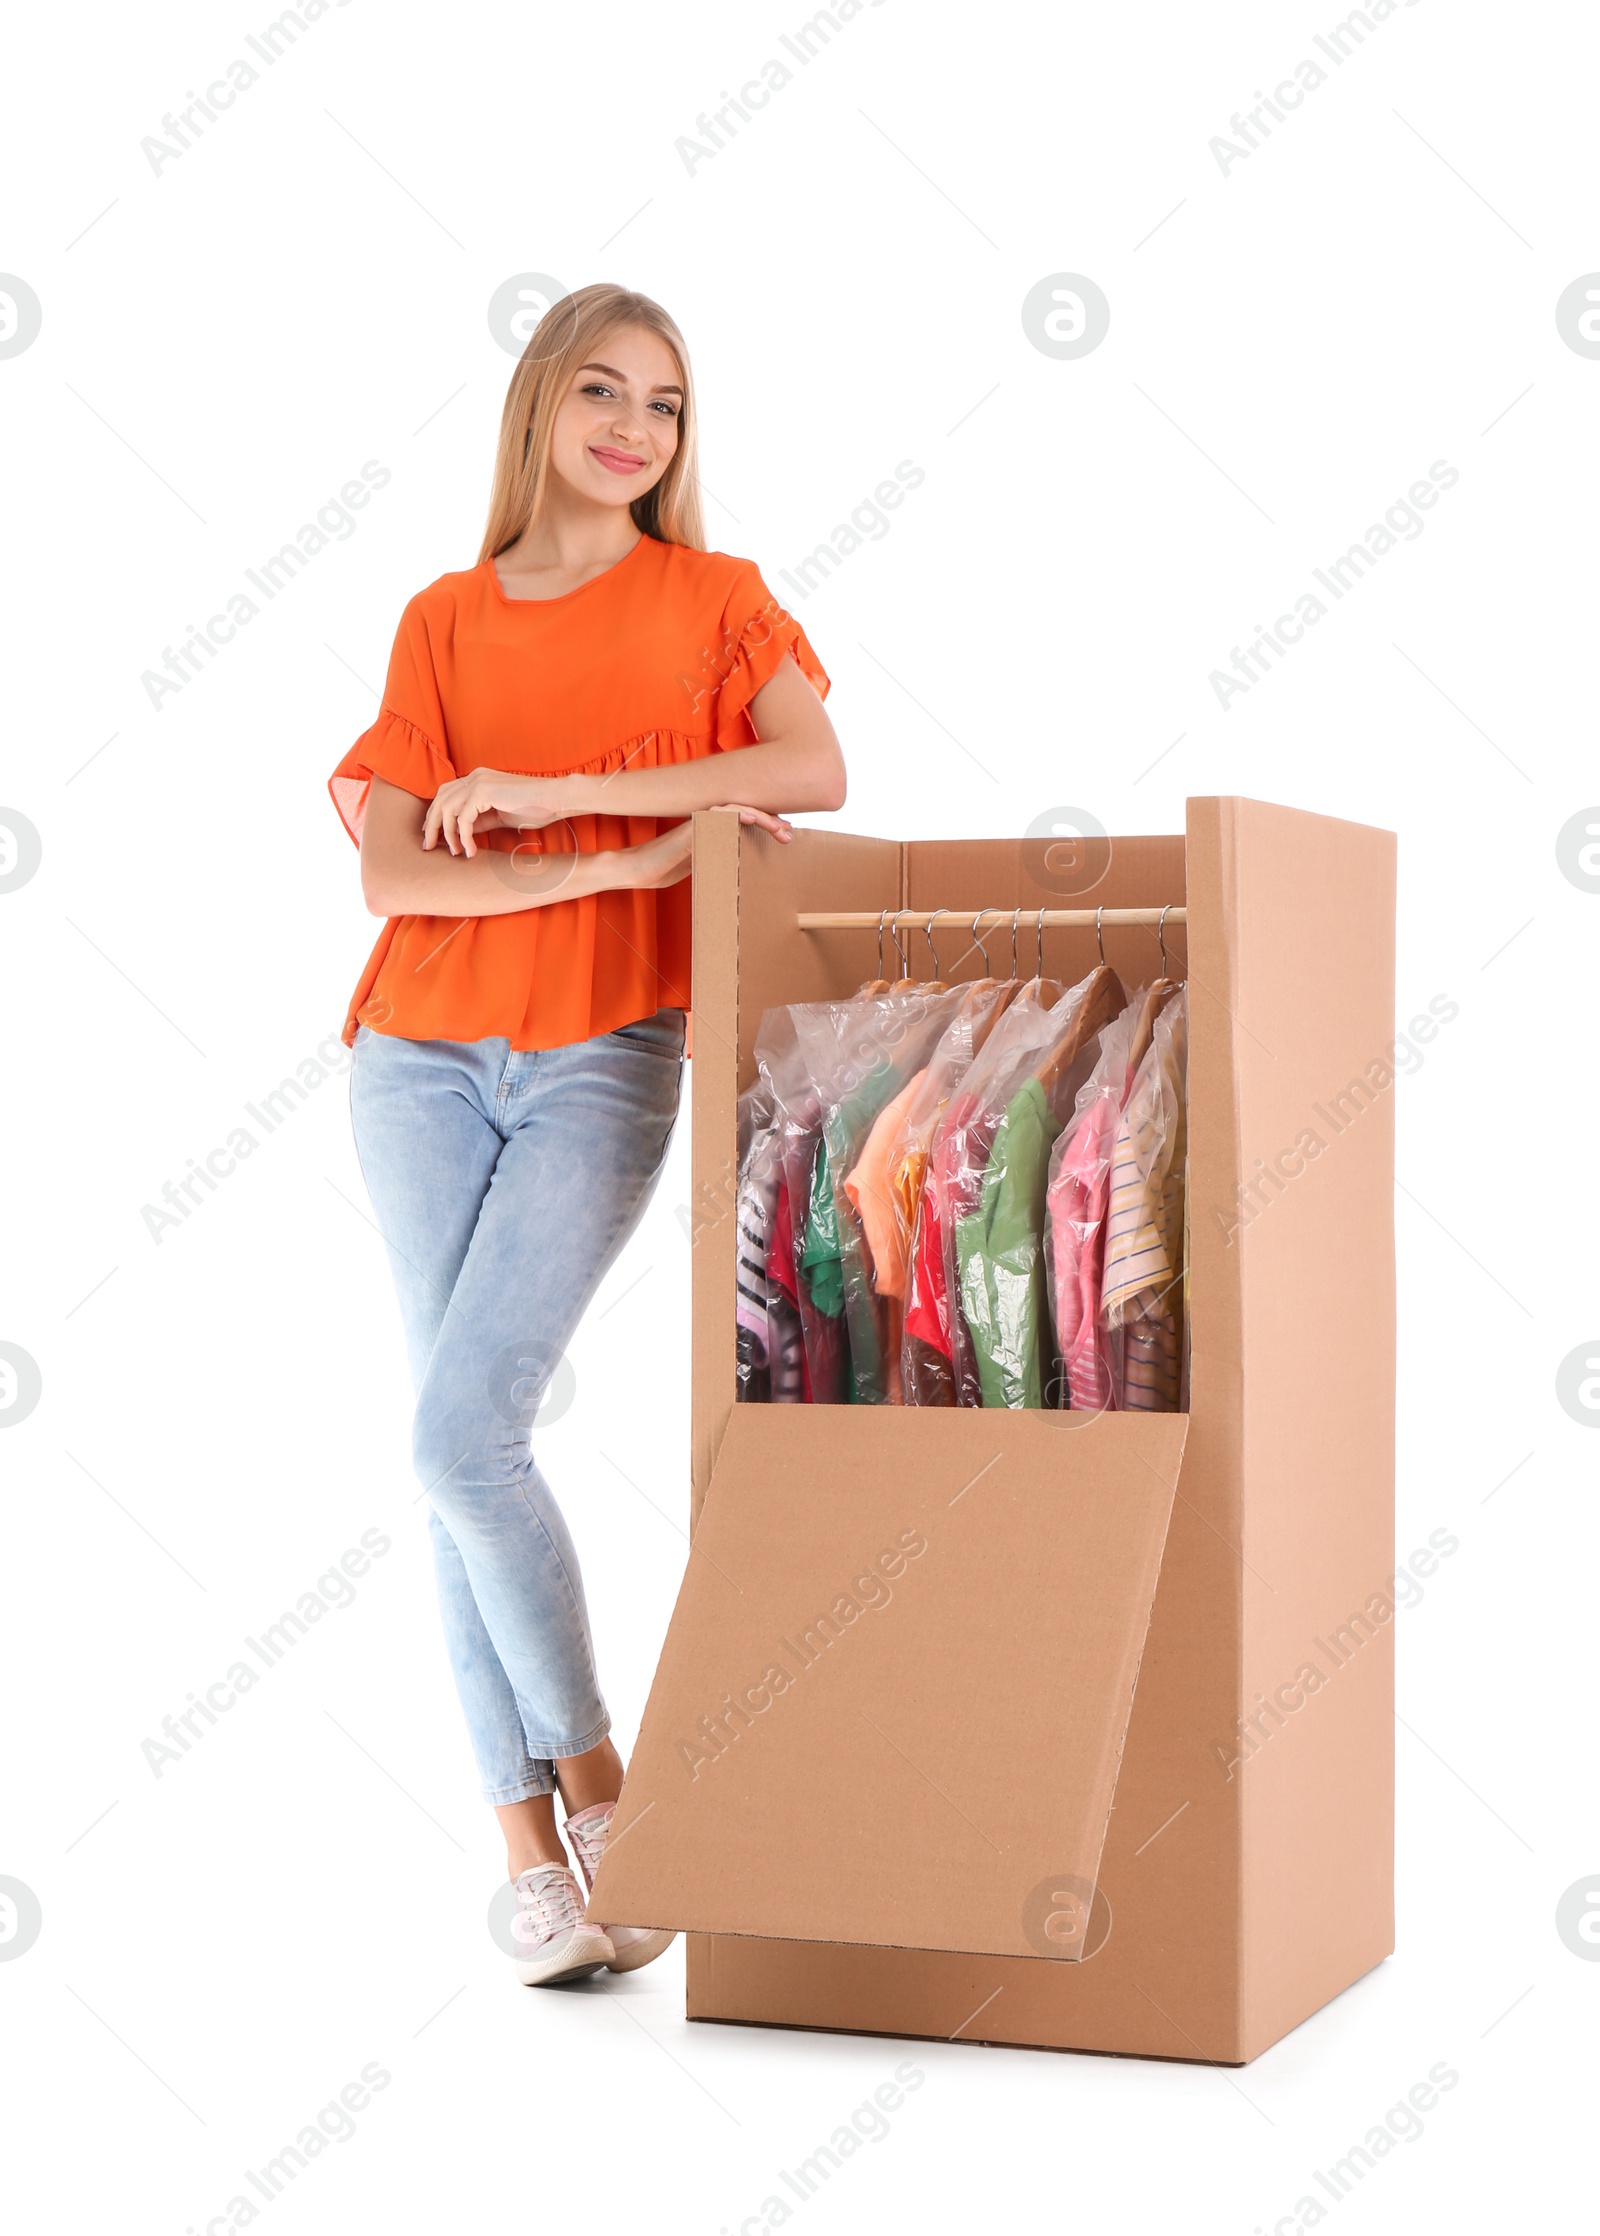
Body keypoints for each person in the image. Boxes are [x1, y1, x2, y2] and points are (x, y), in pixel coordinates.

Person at [328, 283, 845, 1985]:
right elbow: (396, 872)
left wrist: (569, 818)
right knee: (447, 1453)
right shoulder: (442, 620)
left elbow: (813, 766)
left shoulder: (713, 599)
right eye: (607, 391)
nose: (637, 429)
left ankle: (615, 1800)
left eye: (671, 407)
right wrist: (613, 856)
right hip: (414, 1049)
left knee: (460, 1434)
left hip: (607, 1047)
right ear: (543, 403)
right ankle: (538, 1860)